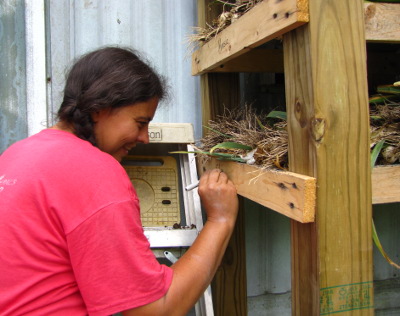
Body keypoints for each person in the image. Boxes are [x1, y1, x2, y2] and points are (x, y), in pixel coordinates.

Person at [0, 47, 238, 315]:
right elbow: (156, 309)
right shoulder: (95, 170)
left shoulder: (17, 153)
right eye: (140, 122)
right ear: (100, 108)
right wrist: (220, 220)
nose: (145, 138)